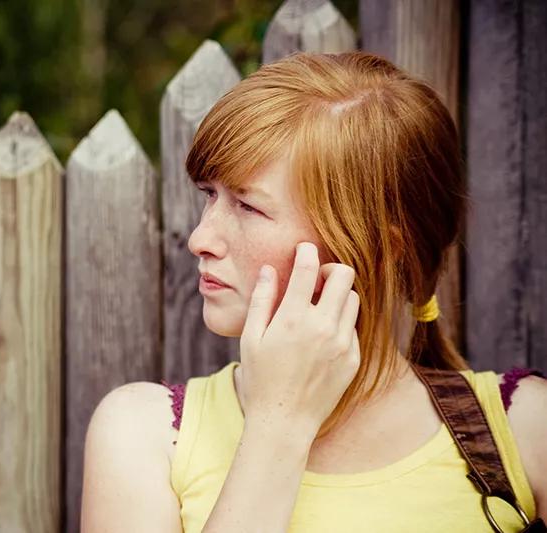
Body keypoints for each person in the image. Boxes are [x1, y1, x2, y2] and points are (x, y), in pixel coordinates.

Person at [80, 51, 547, 532]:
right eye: (210, 195)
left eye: (247, 206)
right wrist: (278, 425)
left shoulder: (525, 429)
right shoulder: (145, 435)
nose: (200, 239)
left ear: (382, 250)